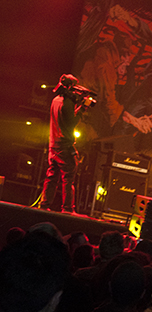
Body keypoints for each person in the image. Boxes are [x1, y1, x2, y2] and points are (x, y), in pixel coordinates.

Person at [39, 74, 93, 213]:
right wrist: (83, 108)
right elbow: (71, 122)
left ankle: (44, 206)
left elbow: (65, 117)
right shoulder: (67, 103)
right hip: (64, 145)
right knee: (69, 178)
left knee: (51, 177)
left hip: (53, 144)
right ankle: (68, 209)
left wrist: (79, 105)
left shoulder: (56, 100)